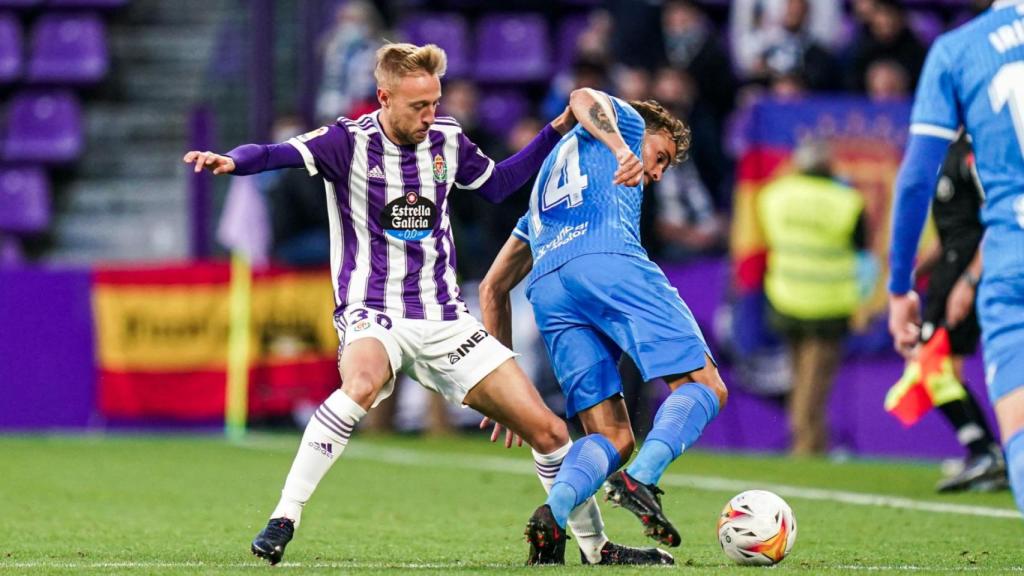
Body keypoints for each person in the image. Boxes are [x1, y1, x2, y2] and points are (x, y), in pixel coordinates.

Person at [184, 43, 668, 566]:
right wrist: (232, 160)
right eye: (418, 106)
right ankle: (284, 517)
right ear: (384, 98)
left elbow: (501, 183)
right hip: (373, 310)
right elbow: (275, 154)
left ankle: (596, 550)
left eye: (435, 103)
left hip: (442, 317)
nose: (429, 115)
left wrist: (553, 130)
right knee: (362, 384)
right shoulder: (345, 142)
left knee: (549, 431)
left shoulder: (447, 140)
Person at [478, 88, 728, 562]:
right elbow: (582, 96)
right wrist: (621, 146)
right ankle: (644, 479)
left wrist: (498, 381)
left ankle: (553, 517)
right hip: (608, 260)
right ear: (645, 131)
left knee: (612, 436)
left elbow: (492, 288)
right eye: (661, 157)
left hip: (551, 292)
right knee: (706, 385)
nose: (655, 172)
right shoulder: (630, 127)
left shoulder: (542, 198)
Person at [887, 0, 1024, 516]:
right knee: (934, 361)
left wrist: (901, 286)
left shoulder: (960, 51)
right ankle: (980, 448)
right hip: (970, 265)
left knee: (936, 361)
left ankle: (987, 449)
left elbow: (914, 181)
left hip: (1001, 263)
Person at [885, 132, 1006, 492]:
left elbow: (995, 223)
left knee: (931, 364)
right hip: (949, 269)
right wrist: (916, 270)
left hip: (967, 270)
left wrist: (969, 280)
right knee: (942, 367)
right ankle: (985, 455)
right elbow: (952, 229)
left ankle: (983, 451)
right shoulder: (945, 155)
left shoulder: (976, 154)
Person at [757, 140, 869, 456]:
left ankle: (810, 442)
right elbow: (862, 252)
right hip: (828, 304)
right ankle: (805, 446)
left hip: (786, 297)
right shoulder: (847, 201)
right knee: (813, 385)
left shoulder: (774, 195)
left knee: (798, 379)